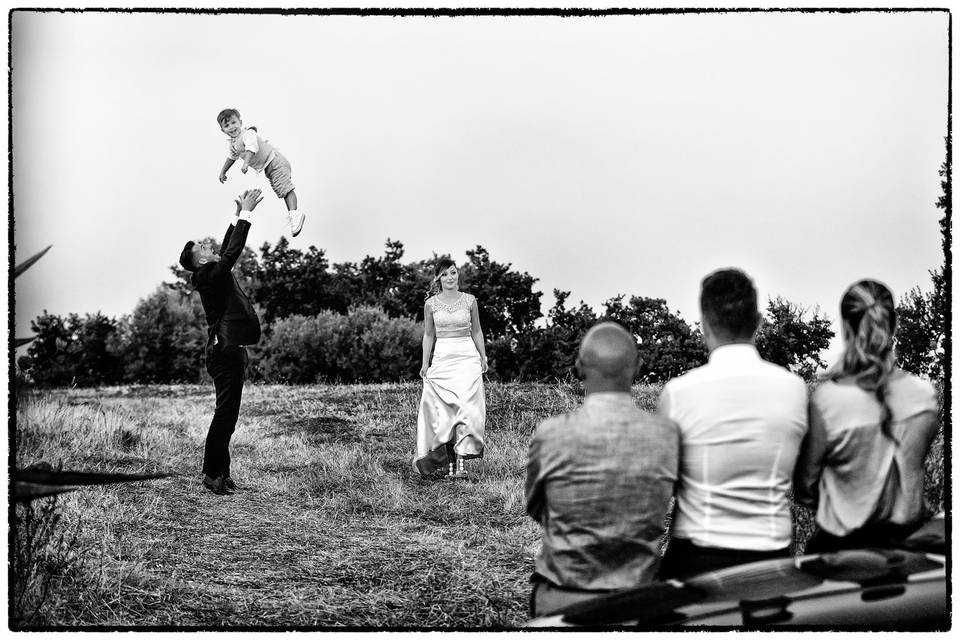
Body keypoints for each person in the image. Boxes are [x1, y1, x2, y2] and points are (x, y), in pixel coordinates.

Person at [657, 268, 808, 580]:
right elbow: (803, 479)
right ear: (758, 321)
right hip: (773, 558)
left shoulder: (679, 393)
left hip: (696, 559)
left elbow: (664, 482)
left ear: (705, 324)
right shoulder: (794, 388)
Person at [525, 322, 679, 617]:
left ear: (579, 366)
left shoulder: (551, 434)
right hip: (636, 603)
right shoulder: (666, 436)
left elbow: (537, 508)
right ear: (638, 367)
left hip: (561, 600)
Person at [794, 280, 939, 552]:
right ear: (893, 326)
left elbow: (805, 487)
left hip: (843, 551)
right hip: (910, 550)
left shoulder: (828, 400)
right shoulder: (924, 395)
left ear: (846, 329)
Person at [179, 189, 264, 495]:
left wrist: (236, 214)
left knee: (228, 415)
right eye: (203, 246)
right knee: (224, 415)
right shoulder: (206, 275)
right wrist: (247, 215)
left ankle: (221, 473)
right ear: (200, 258)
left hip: (229, 350)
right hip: (223, 351)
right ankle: (212, 475)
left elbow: (226, 249)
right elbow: (230, 253)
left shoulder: (209, 271)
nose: (208, 244)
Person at [413, 258, 488, 479]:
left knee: (467, 408)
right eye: (444, 274)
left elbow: (477, 331)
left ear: (458, 275)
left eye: (453, 273)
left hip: (467, 357)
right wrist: (425, 363)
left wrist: (482, 356)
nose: (450, 278)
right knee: (444, 411)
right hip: (443, 357)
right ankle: (447, 463)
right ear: (438, 278)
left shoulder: (470, 300)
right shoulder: (431, 304)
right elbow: (429, 335)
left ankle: (462, 464)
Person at [216, 108, 305, 237]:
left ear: (240, 122)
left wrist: (246, 162)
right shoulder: (233, 144)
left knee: (285, 188)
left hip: (275, 160)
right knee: (281, 189)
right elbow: (231, 157)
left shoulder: (248, 133)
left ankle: (295, 213)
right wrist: (223, 171)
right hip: (269, 167)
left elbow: (252, 147)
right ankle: (293, 213)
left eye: (234, 123)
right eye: (227, 125)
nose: (231, 127)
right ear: (223, 130)